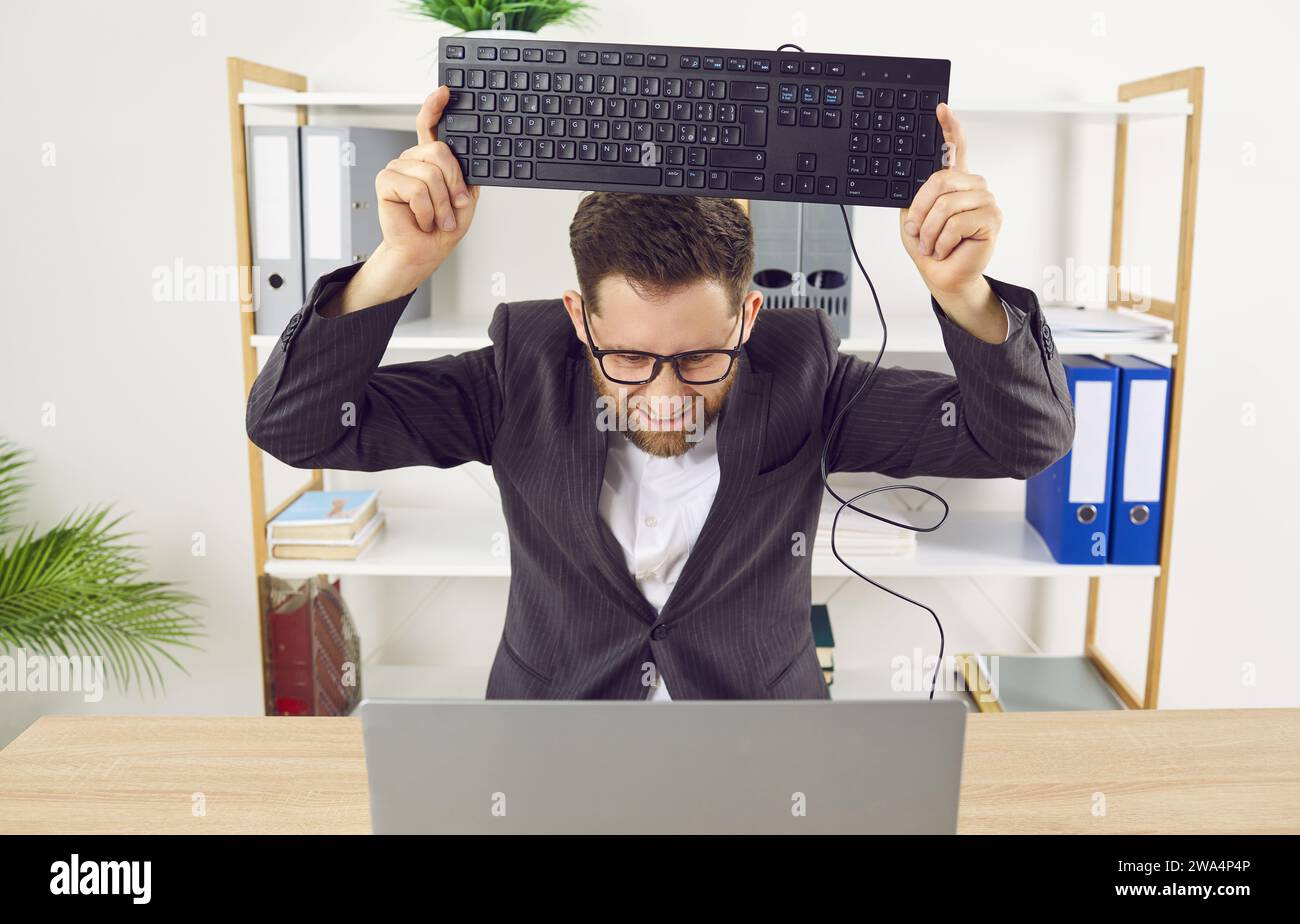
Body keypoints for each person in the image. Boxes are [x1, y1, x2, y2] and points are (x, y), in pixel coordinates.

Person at [247, 86, 1074, 700]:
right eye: (632, 359)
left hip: (761, 751)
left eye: (702, 356)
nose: (668, 391)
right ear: (579, 318)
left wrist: (965, 295)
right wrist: (399, 268)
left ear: (750, 317)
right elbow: (294, 424)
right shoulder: (519, 370)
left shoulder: (805, 371)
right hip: (551, 746)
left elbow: (1024, 441)